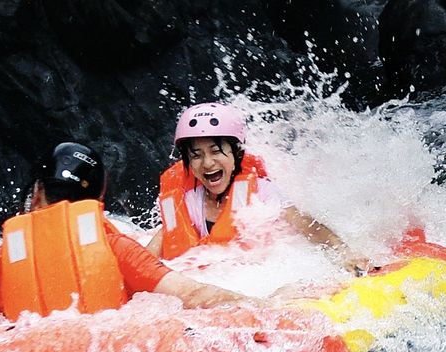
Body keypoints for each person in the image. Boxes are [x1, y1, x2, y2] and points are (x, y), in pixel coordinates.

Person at [0, 142, 254, 320]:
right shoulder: (118, 250)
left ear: (37, 191)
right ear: (97, 205)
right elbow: (195, 295)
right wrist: (265, 308)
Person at [147, 103, 369, 274]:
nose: (207, 163)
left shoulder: (261, 192)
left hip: (262, 273)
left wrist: (344, 252)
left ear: (236, 154)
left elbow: (306, 224)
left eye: (216, 151)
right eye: (196, 155)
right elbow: (153, 251)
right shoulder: (188, 200)